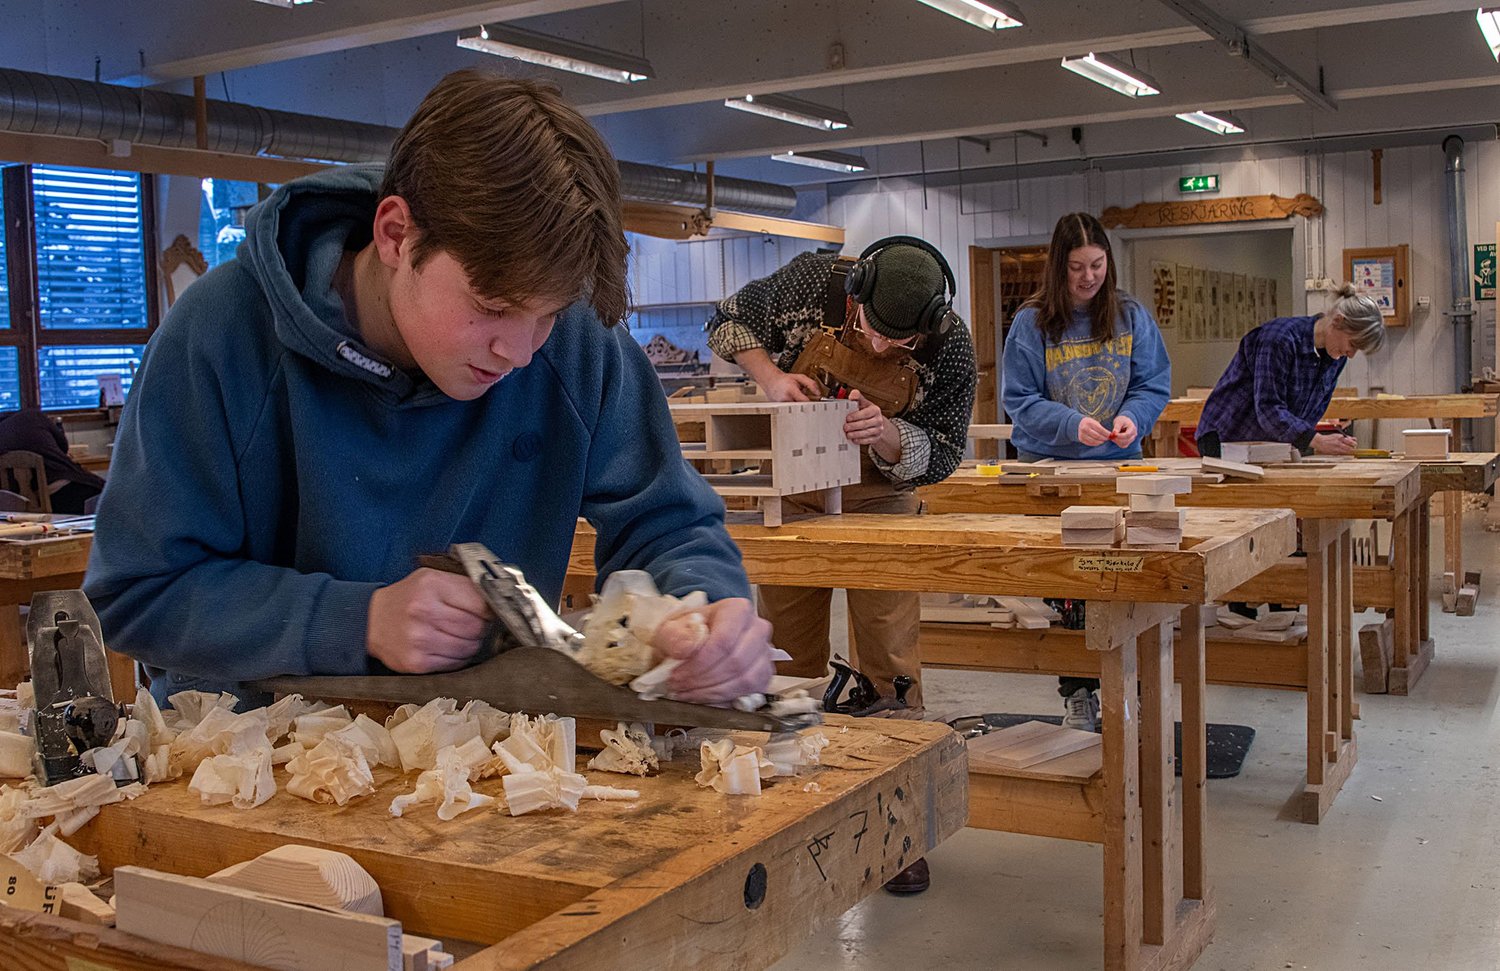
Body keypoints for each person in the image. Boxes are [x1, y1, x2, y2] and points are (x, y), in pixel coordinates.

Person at [83, 70, 772, 715]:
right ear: (394, 235)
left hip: (484, 760)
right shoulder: (219, 336)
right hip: (256, 767)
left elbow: (670, 523)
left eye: (549, 315)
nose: (521, 350)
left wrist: (702, 609)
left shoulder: (569, 341)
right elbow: (141, 592)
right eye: (492, 306)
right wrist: (355, 620)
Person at [707, 235, 977, 894]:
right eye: (871, 333)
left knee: (890, 663)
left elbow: (943, 454)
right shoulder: (810, 284)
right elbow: (726, 320)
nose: (881, 350)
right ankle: (793, 816)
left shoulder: (952, 344)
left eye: (900, 343)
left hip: (882, 496)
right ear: (853, 298)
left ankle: (899, 829)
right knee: (789, 657)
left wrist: (890, 435)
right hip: (795, 494)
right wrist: (771, 378)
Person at [1001, 212, 1171, 731]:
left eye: (1097, 264)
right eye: (1076, 267)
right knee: (1072, 591)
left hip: (1120, 469)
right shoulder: (1031, 324)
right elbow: (1019, 401)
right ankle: (1079, 694)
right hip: (1051, 471)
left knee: (1130, 584)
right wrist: (1072, 424)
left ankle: (1135, 690)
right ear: (1058, 267)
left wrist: (1131, 418)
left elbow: (1153, 385)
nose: (1088, 277)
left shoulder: (1130, 316)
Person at [1195, 283, 1385, 459]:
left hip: (1267, 444)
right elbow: (1269, 409)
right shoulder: (1279, 339)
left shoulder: (1335, 356)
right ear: (1337, 321)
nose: (1351, 354)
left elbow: (1311, 411)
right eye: (1352, 344)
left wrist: (1310, 442)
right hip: (1227, 438)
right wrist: (1316, 440)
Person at [0, 408, 105, 513]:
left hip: (22, 505)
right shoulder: (33, 416)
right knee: (111, 494)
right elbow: (63, 446)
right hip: (65, 490)